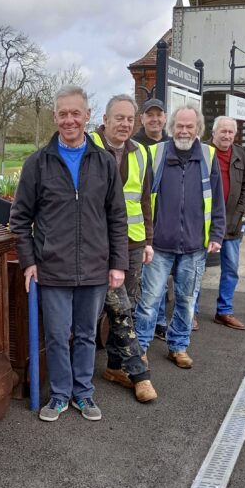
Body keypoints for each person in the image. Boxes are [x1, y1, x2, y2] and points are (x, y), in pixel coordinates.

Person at [10, 85, 128, 422]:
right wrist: (29, 261)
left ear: (88, 116)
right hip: (53, 268)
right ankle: (60, 395)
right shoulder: (38, 163)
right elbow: (20, 218)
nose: (70, 120)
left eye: (76, 113)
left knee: (87, 335)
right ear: (55, 117)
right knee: (58, 336)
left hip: (94, 266)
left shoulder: (104, 163)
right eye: (63, 113)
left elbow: (117, 217)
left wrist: (117, 263)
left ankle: (83, 394)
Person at [134, 106, 226, 369]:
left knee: (186, 300)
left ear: (198, 128)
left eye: (190, 126)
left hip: (195, 245)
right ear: (171, 127)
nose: (184, 131)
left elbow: (217, 200)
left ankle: (179, 346)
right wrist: (146, 239)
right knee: (150, 300)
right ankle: (140, 347)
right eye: (180, 126)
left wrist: (217, 234)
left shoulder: (208, 156)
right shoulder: (156, 153)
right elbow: (143, 200)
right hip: (159, 244)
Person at [90, 95, 157, 403]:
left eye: (130, 119)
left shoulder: (141, 153)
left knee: (127, 302)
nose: (125, 124)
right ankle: (138, 372)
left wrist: (148, 241)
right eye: (119, 118)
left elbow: (144, 201)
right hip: (97, 243)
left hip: (132, 242)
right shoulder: (88, 146)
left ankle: (115, 367)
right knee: (120, 308)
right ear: (105, 119)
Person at [206, 116, 245, 330]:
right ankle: (191, 313)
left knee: (231, 269)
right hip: (204, 224)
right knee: (196, 271)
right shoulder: (203, 151)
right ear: (213, 132)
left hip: (232, 222)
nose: (226, 135)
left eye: (230, 132)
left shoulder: (241, 155)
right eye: (222, 131)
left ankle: (224, 311)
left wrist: (241, 210)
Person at [131, 98, 174, 337]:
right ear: (143, 119)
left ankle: (158, 320)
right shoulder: (134, 144)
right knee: (148, 278)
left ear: (165, 118)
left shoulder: (172, 144)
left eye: (159, 115)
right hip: (144, 221)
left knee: (159, 276)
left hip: (166, 218)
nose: (155, 119)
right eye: (150, 115)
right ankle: (151, 321)